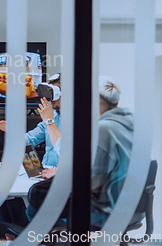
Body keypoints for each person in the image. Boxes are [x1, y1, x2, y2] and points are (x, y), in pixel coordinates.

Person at [26, 76, 134, 229]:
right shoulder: (123, 125)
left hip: (100, 211)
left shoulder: (103, 129)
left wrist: (49, 121)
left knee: (37, 198)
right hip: (119, 206)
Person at [0, 73, 62, 243]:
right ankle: (13, 235)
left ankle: (22, 235)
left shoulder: (77, 120)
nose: (50, 98)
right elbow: (29, 138)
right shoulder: (53, 117)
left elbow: (67, 151)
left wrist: (49, 120)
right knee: (2, 194)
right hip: (41, 173)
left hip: (59, 177)